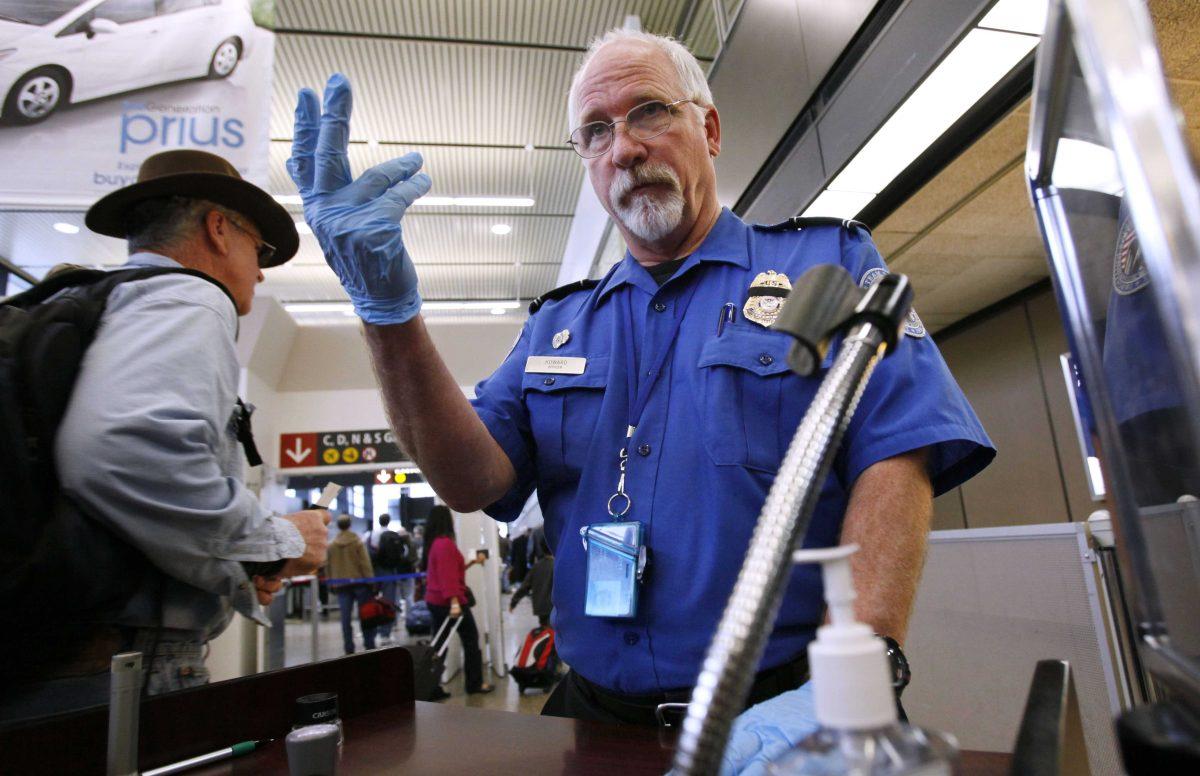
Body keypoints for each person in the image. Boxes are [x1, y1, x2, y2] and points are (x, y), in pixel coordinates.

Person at [288, 29, 993, 763]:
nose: (623, 148)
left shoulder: (826, 266)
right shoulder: (557, 327)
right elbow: (472, 481)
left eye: (650, 112)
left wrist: (867, 668)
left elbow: (897, 455)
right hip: (596, 724)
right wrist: (388, 317)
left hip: (785, 720)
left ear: (710, 128)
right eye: (596, 131)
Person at [1, 150, 329, 722]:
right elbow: (125, 451)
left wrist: (244, 565)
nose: (260, 271)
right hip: (125, 659)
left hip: (42, 646)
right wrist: (278, 539)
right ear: (219, 228)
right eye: (262, 248)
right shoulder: (189, 297)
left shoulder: (95, 302)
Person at [421, 506, 494, 695]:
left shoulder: (434, 544)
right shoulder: (444, 544)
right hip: (449, 603)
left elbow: (452, 570)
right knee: (471, 640)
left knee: (439, 645)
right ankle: (474, 684)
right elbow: (448, 577)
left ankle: (430, 686)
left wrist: (472, 562)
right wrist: (454, 602)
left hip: (437, 601)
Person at [327, 514, 378, 654]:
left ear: (338, 526)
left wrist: (331, 582)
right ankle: (369, 644)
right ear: (350, 525)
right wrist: (371, 581)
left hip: (341, 585)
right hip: (360, 583)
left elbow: (328, 565)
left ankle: (349, 648)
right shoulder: (357, 542)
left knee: (345, 618)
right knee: (365, 614)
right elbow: (365, 563)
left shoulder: (331, 545)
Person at [510, 529, 554, 628]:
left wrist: (514, 602)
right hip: (553, 608)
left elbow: (525, 587)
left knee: (545, 633)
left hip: (541, 608)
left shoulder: (536, 567)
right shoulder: (557, 566)